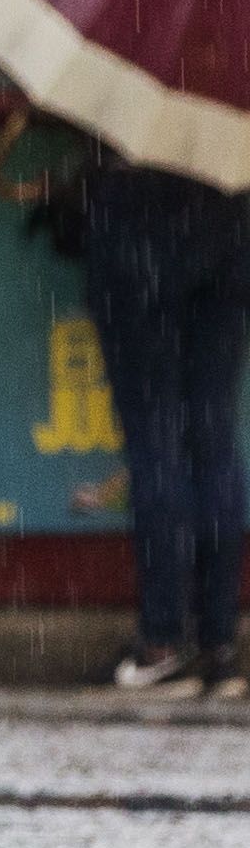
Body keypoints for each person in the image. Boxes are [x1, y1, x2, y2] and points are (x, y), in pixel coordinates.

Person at [80, 158, 250, 699]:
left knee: (156, 442)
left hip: (138, 227)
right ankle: (219, 647)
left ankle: (162, 643)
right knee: (213, 438)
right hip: (231, 224)